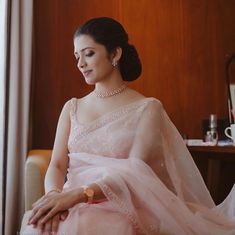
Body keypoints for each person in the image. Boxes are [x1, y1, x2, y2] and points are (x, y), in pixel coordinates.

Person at [23, 17, 235, 235]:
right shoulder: (71, 107)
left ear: (115, 54)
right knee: (40, 227)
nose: (80, 64)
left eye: (88, 53)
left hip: (122, 204)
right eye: (77, 56)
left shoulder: (148, 108)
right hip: (70, 203)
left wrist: (79, 194)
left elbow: (136, 170)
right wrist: (55, 197)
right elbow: (57, 164)